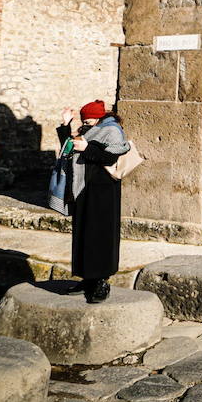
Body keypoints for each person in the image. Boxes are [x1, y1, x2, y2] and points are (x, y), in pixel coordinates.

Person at [57, 100, 127, 303]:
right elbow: (67, 149)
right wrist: (65, 125)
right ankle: (87, 278)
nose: (85, 120)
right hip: (83, 188)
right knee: (83, 233)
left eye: (88, 117)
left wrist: (87, 148)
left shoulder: (112, 130)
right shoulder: (89, 129)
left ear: (99, 116)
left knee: (101, 235)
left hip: (103, 191)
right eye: (84, 117)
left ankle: (101, 282)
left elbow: (110, 158)